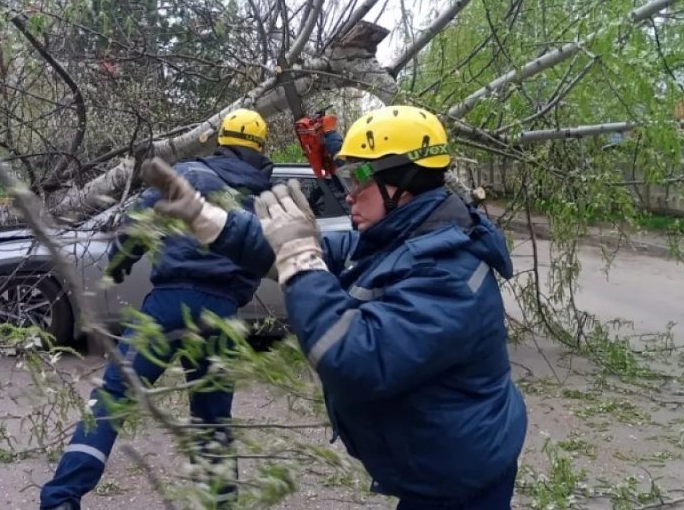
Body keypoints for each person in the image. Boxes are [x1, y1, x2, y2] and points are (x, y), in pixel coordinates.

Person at [139, 105, 527, 509]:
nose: (348, 191)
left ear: (403, 183)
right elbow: (307, 248)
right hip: (438, 465)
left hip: (460, 477)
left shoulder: (446, 272)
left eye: (359, 176)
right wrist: (210, 220)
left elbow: (354, 359)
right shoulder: (402, 235)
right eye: (347, 175)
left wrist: (300, 261)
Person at [40, 108, 276, 510]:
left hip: (168, 304)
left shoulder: (187, 174)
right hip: (222, 314)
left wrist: (116, 267)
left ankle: (62, 499)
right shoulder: (264, 196)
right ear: (260, 148)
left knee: (113, 399)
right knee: (212, 420)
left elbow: (137, 225)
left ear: (219, 140)